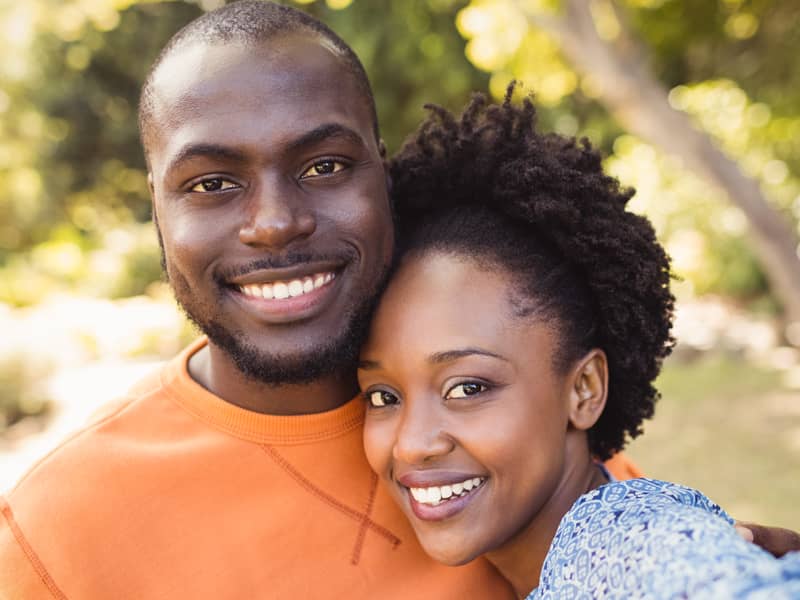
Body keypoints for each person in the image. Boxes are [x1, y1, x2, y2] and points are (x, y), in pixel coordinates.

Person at [0, 2, 793, 597]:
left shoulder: (528, 445)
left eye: (323, 166)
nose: (275, 223)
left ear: (380, 175)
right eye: (211, 183)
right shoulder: (56, 534)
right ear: (157, 206)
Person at [357, 89, 800, 598]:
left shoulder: (616, 541)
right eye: (383, 396)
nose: (412, 443)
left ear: (584, 389)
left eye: (467, 387)